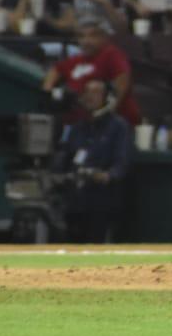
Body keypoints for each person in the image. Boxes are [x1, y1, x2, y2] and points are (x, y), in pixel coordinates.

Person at [51, 78, 133, 243]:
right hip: (75, 200)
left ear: (107, 98)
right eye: (87, 92)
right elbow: (65, 158)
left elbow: (122, 162)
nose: (90, 97)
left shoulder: (118, 126)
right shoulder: (77, 127)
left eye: (96, 92)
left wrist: (107, 175)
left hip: (102, 200)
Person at [41, 20, 141, 126]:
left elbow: (122, 82)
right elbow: (55, 70)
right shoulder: (77, 60)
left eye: (93, 36)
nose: (86, 41)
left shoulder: (111, 55)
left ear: (104, 38)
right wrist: (48, 92)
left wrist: (104, 113)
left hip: (110, 124)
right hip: (78, 122)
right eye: (81, 36)